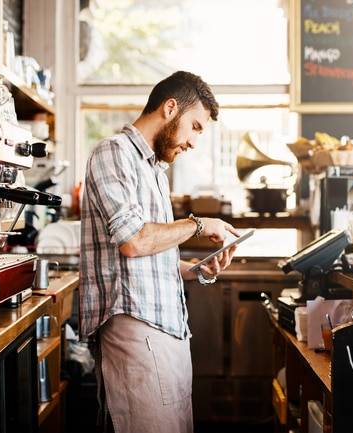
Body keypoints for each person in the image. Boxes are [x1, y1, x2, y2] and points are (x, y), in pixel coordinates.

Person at [79, 70, 240, 433]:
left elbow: (149, 256)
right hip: (137, 332)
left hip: (168, 333)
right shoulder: (113, 152)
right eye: (195, 126)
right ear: (170, 108)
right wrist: (199, 224)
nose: (195, 142)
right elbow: (133, 240)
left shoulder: (153, 170)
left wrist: (197, 268)